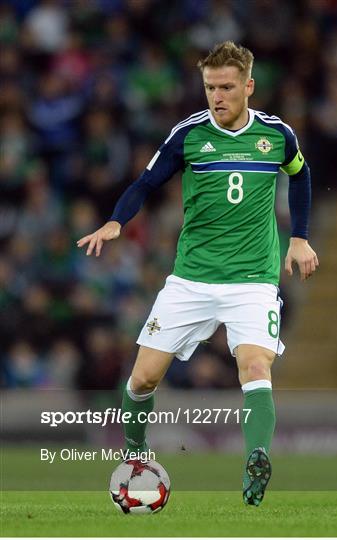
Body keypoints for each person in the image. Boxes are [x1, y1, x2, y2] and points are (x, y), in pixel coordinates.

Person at [77, 41, 318, 506]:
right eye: (210, 87)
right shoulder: (188, 135)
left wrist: (300, 237)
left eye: (227, 87)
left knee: (255, 365)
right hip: (191, 279)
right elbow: (147, 181)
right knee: (142, 380)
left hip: (253, 280)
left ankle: (257, 460)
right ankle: (136, 457)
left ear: (248, 86)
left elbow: (301, 175)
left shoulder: (277, 135)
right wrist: (115, 221)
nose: (217, 96)